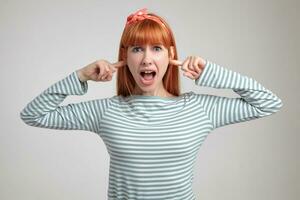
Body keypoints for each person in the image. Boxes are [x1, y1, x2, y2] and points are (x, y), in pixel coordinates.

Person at [20, 7, 283, 200]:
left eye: (156, 48)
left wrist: (210, 72)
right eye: (137, 49)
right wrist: (80, 76)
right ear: (125, 58)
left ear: (170, 55)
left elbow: (267, 103)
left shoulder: (199, 109)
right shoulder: (107, 111)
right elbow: (34, 115)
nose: (146, 59)